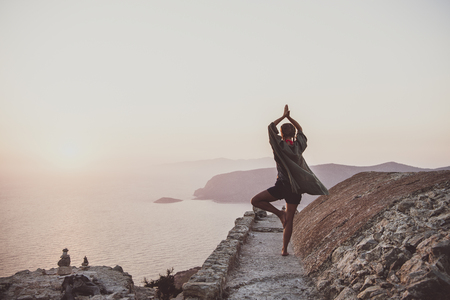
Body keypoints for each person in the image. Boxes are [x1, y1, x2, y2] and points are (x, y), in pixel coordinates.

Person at [251, 105, 329, 256]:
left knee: (255, 200)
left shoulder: (279, 147)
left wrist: (283, 116)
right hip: (296, 189)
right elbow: (301, 130)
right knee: (290, 219)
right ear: (293, 134)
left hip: (282, 185)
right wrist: (290, 118)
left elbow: (270, 127)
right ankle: (284, 250)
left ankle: (279, 214)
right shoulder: (299, 147)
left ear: (280, 133)